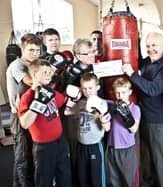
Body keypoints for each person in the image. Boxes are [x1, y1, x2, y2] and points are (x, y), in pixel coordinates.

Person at [122, 32, 163, 187]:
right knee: (145, 157)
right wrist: (133, 40)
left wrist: (132, 74)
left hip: (159, 119)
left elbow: (153, 89)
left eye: (154, 45)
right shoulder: (146, 62)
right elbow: (135, 58)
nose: (151, 49)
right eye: (148, 46)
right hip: (144, 116)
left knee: (160, 160)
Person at [18, 59, 71, 187]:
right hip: (44, 148)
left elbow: (65, 102)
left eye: (50, 72)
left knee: (65, 177)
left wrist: (77, 96)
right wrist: (37, 105)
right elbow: (25, 123)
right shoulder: (28, 96)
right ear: (35, 75)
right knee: (44, 180)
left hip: (60, 142)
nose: (49, 75)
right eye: (45, 72)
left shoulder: (50, 92)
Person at [6, 33, 42, 187]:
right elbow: (30, 81)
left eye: (37, 50)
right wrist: (48, 74)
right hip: (19, 116)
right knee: (23, 156)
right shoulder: (17, 65)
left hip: (31, 114)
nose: (35, 54)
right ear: (22, 48)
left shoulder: (35, 64)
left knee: (27, 155)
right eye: (31, 50)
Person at [64, 72, 110, 187]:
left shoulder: (102, 103)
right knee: (82, 179)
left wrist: (102, 114)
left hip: (95, 146)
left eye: (90, 88)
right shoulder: (80, 103)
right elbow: (67, 112)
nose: (87, 91)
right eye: (84, 88)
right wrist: (73, 100)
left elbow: (107, 128)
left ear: (97, 87)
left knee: (97, 180)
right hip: (81, 146)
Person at [107, 77, 141, 187]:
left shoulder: (135, 109)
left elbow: (134, 129)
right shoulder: (112, 105)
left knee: (129, 180)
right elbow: (97, 101)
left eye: (123, 92)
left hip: (127, 149)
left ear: (129, 92)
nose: (120, 95)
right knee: (114, 179)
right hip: (113, 147)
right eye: (117, 93)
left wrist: (126, 115)